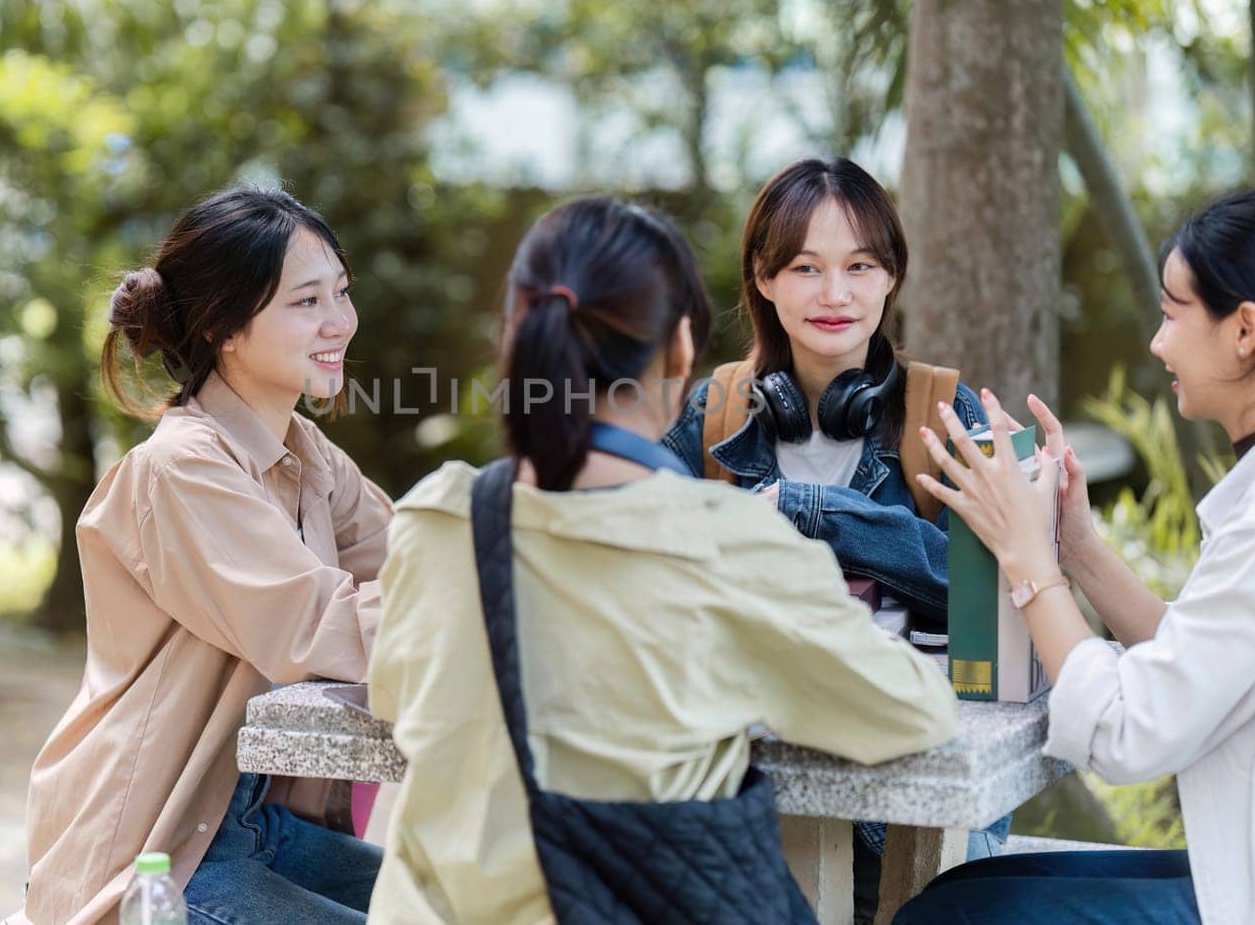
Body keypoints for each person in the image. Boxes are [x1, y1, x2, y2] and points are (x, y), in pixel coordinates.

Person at [366, 195, 957, 923]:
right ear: (680, 350)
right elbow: (913, 711)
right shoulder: (729, 540)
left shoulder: (438, 516)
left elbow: (392, 698)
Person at [896, 188, 1255, 924]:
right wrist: (1075, 544)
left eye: (1172, 313)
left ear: (1245, 330)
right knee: (955, 894)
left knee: (945, 917)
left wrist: (1029, 559)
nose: (1158, 343)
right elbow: (1194, 662)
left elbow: (1127, 732)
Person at [14, 186, 391, 925]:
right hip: (156, 855)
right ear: (226, 327)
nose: (340, 321)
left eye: (341, 292)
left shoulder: (304, 453)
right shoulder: (182, 470)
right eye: (306, 301)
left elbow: (415, 560)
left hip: (251, 826)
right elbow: (318, 628)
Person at [660, 157, 1004, 908]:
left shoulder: (946, 414)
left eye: (859, 265)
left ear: (891, 276)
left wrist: (816, 511)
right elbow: (640, 556)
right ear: (763, 275)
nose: (836, 293)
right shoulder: (713, 413)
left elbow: (982, 592)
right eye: (807, 267)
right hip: (748, 800)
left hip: (908, 807)